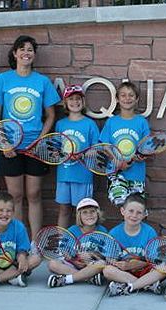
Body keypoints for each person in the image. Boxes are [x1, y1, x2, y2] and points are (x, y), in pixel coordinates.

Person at [0, 35, 60, 239]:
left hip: (35, 149)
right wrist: (4, 143)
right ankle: (18, 241)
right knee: (15, 197)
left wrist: (40, 140)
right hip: (10, 148)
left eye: (30, 49)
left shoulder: (42, 81)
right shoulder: (2, 80)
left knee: (34, 195)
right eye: (22, 49)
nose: (26, 53)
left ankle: (36, 242)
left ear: (34, 55)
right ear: (14, 53)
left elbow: (51, 115)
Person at [103, 194, 166, 296]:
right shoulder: (114, 233)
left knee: (164, 267)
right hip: (124, 273)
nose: (134, 215)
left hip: (145, 270)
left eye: (139, 213)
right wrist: (122, 265)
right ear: (122, 211)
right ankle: (146, 285)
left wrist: (140, 264)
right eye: (131, 211)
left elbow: (154, 260)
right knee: (107, 270)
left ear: (144, 215)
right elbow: (110, 259)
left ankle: (129, 286)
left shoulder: (149, 232)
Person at [54, 85, 100, 227]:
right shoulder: (60, 124)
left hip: (82, 176)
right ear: (65, 103)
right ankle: (62, 244)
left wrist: (83, 155)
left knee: (83, 211)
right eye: (71, 99)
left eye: (78, 98)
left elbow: (96, 149)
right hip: (64, 175)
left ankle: (82, 243)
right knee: (64, 210)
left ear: (83, 101)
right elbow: (55, 150)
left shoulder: (90, 124)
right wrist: (63, 155)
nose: (75, 102)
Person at [99, 81, 149, 207]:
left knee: (136, 210)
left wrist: (141, 156)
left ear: (137, 99)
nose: (127, 98)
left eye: (131, 95)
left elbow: (147, 146)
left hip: (137, 175)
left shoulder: (141, 122)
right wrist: (116, 160)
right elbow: (105, 145)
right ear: (117, 99)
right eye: (123, 95)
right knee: (122, 205)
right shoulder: (111, 122)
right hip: (116, 174)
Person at [46, 197, 108, 288]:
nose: (89, 215)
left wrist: (92, 254)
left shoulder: (102, 231)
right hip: (74, 264)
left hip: (92, 265)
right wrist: (74, 260)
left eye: (92, 211)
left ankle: (67, 279)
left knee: (101, 264)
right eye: (85, 212)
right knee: (52, 264)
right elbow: (64, 251)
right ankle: (89, 278)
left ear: (98, 214)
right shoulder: (72, 230)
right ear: (79, 216)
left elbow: (105, 254)